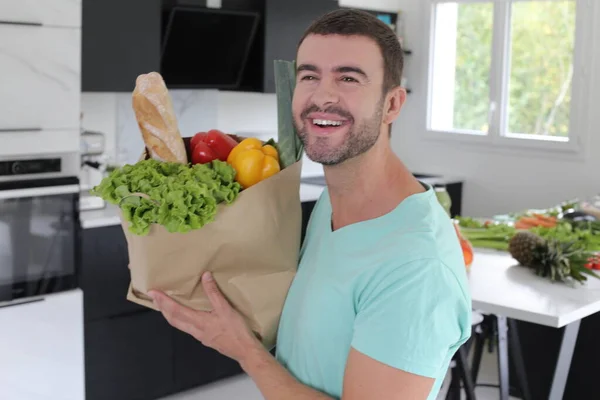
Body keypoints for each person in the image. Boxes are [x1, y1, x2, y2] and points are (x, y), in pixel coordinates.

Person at [148, 9, 472, 400]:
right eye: (309, 76)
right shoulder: (331, 204)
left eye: (348, 78)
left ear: (392, 105)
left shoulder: (417, 266)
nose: (323, 96)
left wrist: (245, 351)